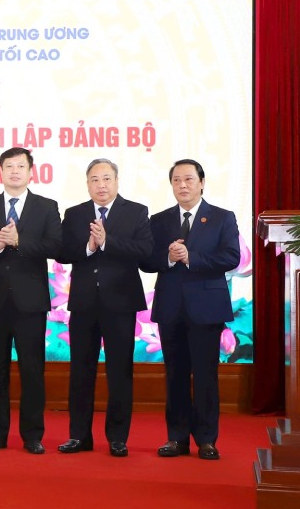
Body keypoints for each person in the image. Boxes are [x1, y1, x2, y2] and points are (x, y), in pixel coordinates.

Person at [141, 159, 239, 461]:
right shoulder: (159, 220)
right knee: (176, 375)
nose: (182, 185)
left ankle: (207, 440)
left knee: (206, 376)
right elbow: (146, 260)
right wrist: (169, 258)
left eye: (188, 179)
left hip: (206, 309)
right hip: (171, 308)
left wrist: (190, 257)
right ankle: (177, 438)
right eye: (176, 180)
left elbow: (231, 257)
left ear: (202, 182)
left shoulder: (222, 217)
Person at [56, 159, 152, 458]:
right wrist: (89, 247)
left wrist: (108, 242)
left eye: (106, 179)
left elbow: (145, 252)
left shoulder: (136, 211)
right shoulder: (75, 214)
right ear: (87, 184)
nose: (101, 185)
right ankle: (79, 436)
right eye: (95, 179)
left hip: (121, 304)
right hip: (84, 304)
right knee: (80, 371)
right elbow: (61, 252)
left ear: (117, 181)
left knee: (119, 372)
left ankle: (117, 438)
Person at [0, 147, 61, 454]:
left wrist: (20, 242)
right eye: (9, 167)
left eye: (21, 166)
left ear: (31, 171)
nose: (15, 171)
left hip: (30, 302)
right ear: (1, 171)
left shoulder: (46, 207)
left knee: (32, 370)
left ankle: (32, 435)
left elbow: (55, 245)